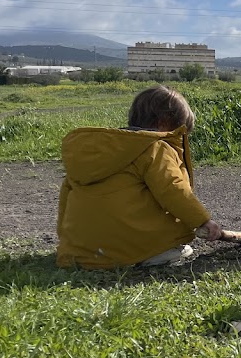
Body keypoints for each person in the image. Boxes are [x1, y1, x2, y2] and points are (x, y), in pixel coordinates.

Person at [57, 85, 223, 268]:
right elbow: (172, 189)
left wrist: (66, 242)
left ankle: (88, 251)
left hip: (80, 254)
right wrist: (202, 220)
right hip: (129, 250)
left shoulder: (96, 153)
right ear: (164, 124)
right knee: (178, 246)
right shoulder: (155, 148)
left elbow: (66, 197)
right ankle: (148, 255)